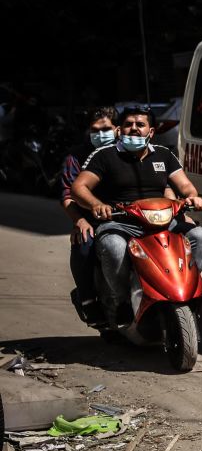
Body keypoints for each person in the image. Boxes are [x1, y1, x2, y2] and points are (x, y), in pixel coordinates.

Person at [70, 106, 202, 327]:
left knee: (201, 237)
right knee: (114, 248)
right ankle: (122, 301)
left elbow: (185, 187)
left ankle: (188, 290)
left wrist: (193, 198)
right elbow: (79, 188)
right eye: (128, 125)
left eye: (140, 125)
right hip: (121, 223)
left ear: (151, 132)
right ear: (119, 130)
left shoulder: (165, 155)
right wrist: (97, 204)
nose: (134, 129)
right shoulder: (104, 156)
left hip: (164, 221)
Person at [61, 106, 119, 323]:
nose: (100, 134)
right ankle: (87, 300)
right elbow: (68, 196)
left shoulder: (129, 152)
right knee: (83, 243)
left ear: (117, 129)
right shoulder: (76, 157)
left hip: (131, 216)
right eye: (95, 130)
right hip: (93, 219)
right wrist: (80, 219)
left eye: (105, 129)